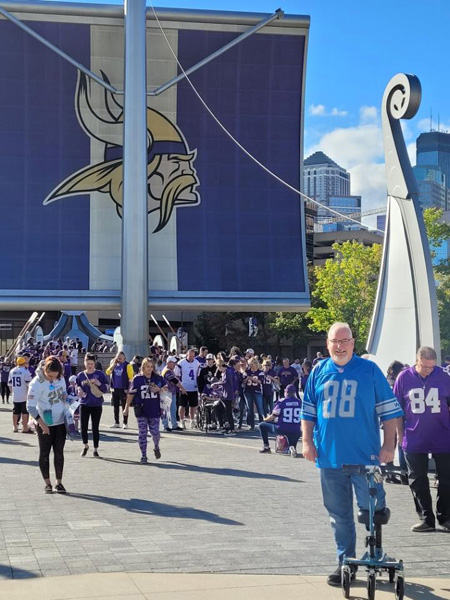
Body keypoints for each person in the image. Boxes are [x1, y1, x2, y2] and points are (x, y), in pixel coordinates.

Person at [301, 322, 403, 587]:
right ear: (327, 344)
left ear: (353, 343)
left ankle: (376, 552)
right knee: (338, 515)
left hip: (365, 458)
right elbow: (308, 412)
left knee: (372, 509)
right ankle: (345, 561)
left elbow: (390, 413)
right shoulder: (318, 372)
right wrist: (307, 442)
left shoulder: (369, 371)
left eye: (345, 341)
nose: (340, 346)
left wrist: (388, 446)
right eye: (335, 341)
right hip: (330, 457)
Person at [394, 346, 450, 532]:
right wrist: (400, 436)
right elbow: (396, 410)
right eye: (424, 366)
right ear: (417, 361)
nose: (428, 370)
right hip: (414, 436)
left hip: (442, 436)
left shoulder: (443, 377)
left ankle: (445, 517)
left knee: (446, 478)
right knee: (417, 479)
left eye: (432, 367)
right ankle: (427, 518)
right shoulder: (404, 378)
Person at [27, 356, 74, 493]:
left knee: (59, 452)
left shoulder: (60, 378)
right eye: (50, 376)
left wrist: (66, 397)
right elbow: (30, 406)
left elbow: (64, 392)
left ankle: (59, 482)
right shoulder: (37, 383)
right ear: (45, 370)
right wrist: (41, 424)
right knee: (45, 452)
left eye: (55, 376)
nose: (52, 378)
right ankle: (47, 483)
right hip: (44, 422)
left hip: (60, 421)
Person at [124, 358, 168, 463]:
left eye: (151, 366)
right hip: (141, 409)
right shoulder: (137, 379)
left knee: (155, 433)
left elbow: (166, 386)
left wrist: (159, 389)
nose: (150, 369)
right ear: (143, 367)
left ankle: (156, 446)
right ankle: (143, 455)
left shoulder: (157, 378)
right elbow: (131, 394)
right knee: (142, 433)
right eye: (147, 366)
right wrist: (126, 408)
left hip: (154, 409)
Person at [76, 353, 108, 458]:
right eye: (88, 363)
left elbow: (105, 388)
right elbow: (77, 385)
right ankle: (85, 445)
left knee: (95, 427)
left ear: (94, 364)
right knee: (83, 427)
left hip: (96, 404)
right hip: (84, 404)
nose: (90, 365)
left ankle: (95, 449)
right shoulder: (81, 375)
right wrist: (78, 389)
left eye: (91, 363)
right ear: (84, 363)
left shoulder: (99, 374)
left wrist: (99, 383)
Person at [259, 384, 302, 457]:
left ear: (286, 392)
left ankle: (266, 447)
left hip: (283, 428)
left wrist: (265, 419)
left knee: (262, 425)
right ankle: (292, 447)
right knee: (293, 436)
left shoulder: (282, 402)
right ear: (294, 393)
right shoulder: (300, 402)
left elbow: (273, 416)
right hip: (296, 429)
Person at [106, 351, 134, 429]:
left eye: (120, 358)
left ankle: (125, 422)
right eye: (118, 358)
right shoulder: (114, 365)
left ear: (124, 358)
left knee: (124, 406)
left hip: (123, 389)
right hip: (115, 388)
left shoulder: (127, 365)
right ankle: (116, 422)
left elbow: (131, 378)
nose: (119, 359)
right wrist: (113, 365)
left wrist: (129, 389)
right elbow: (107, 372)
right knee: (115, 406)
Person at [178, 348, 202, 427]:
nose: (191, 358)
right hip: (184, 387)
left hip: (193, 387)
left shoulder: (197, 363)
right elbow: (177, 375)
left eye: (193, 356)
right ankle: (181, 420)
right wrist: (180, 386)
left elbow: (198, 375)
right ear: (187, 355)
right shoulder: (181, 363)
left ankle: (192, 420)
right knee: (182, 405)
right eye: (190, 356)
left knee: (193, 405)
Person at [161, 356, 185, 431]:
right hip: (166, 392)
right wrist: (182, 388)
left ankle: (174, 425)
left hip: (172, 392)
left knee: (173, 409)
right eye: (173, 363)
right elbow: (174, 380)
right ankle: (165, 426)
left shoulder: (170, 370)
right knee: (166, 410)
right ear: (169, 362)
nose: (175, 364)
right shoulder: (167, 371)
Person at [9, 357, 32, 433]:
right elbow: (28, 383)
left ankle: (15, 426)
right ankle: (25, 427)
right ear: (24, 363)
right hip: (24, 393)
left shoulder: (12, 371)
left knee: (15, 411)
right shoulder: (25, 371)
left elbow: (9, 384)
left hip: (15, 394)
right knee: (24, 411)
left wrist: (12, 392)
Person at [243, 357, 265, 429]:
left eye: (252, 364)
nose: (251, 366)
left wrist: (252, 378)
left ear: (256, 364)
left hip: (257, 391)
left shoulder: (260, 372)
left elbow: (260, 381)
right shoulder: (247, 372)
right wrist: (247, 379)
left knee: (259, 408)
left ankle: (261, 424)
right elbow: (243, 382)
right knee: (250, 408)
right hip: (248, 391)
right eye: (250, 364)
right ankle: (251, 424)